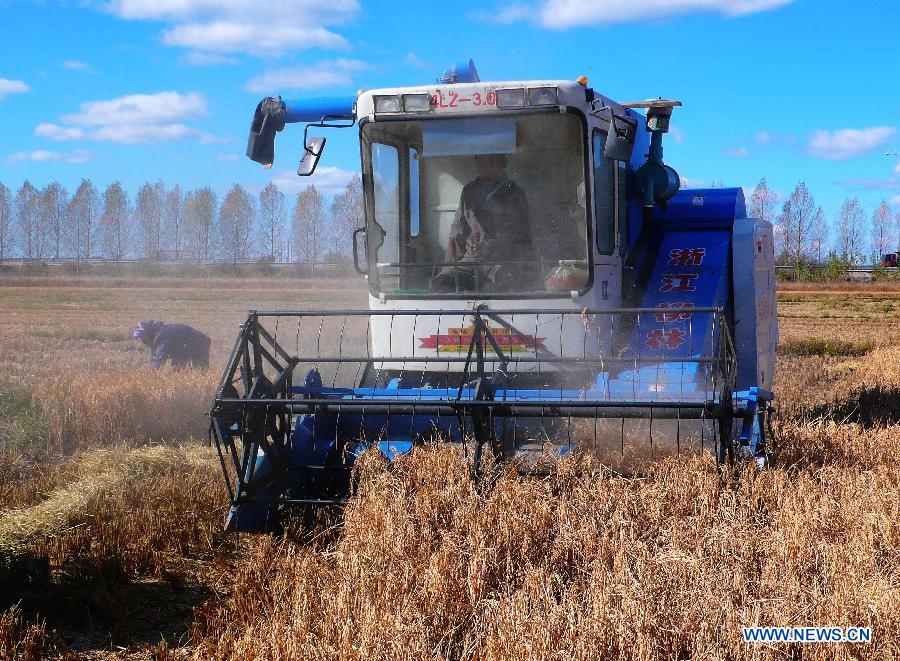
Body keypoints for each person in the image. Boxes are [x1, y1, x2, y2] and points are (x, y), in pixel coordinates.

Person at [431, 153, 532, 292]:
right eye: (481, 165)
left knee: (499, 290)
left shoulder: (515, 194)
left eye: (491, 164)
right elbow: (457, 232)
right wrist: (448, 267)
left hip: (504, 263)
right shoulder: (469, 192)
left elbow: (523, 236)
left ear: (503, 163)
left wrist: (496, 247)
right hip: (472, 261)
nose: (486, 170)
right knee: (443, 283)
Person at [134, 320, 211, 370]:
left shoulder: (162, 336)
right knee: (177, 370)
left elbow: (159, 360)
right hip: (185, 348)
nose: (145, 343)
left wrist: (149, 374)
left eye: (145, 340)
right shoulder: (161, 334)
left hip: (199, 345)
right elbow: (154, 356)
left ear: (149, 334)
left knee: (199, 372)